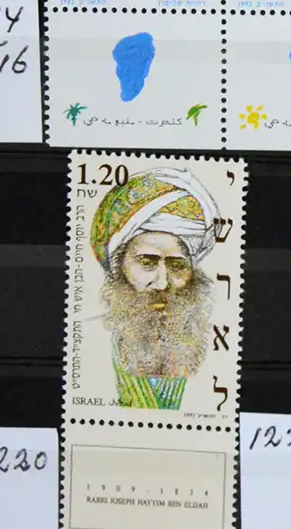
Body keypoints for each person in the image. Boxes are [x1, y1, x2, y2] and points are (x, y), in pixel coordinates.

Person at [89, 167, 222, 410]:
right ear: (119, 267)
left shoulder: (218, 356)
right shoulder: (89, 342)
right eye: (147, 263)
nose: (162, 283)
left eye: (177, 266)